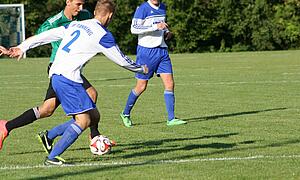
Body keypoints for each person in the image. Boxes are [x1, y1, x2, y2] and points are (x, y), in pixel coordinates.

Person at [6, 0, 148, 165]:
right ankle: (52, 158)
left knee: (94, 115)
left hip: (57, 74)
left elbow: (46, 35)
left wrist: (22, 47)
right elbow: (122, 60)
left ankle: (49, 135)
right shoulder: (103, 34)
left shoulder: (76, 25)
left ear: (95, 12)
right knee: (83, 121)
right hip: (68, 78)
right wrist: (141, 69)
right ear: (110, 16)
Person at [0, 0, 104, 153]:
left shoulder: (85, 15)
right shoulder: (53, 22)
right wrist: (17, 49)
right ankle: (94, 136)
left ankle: (7, 126)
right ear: (68, 2)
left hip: (72, 70)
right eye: (78, 4)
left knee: (47, 110)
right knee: (91, 94)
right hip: (59, 69)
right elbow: (38, 38)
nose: (81, 8)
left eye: (82, 4)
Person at [119, 0, 187, 127]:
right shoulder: (143, 9)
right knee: (141, 87)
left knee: (170, 84)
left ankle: (171, 119)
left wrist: (166, 33)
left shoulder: (163, 8)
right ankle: (125, 113)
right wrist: (155, 27)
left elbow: (162, 27)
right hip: (146, 52)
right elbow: (134, 29)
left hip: (162, 50)